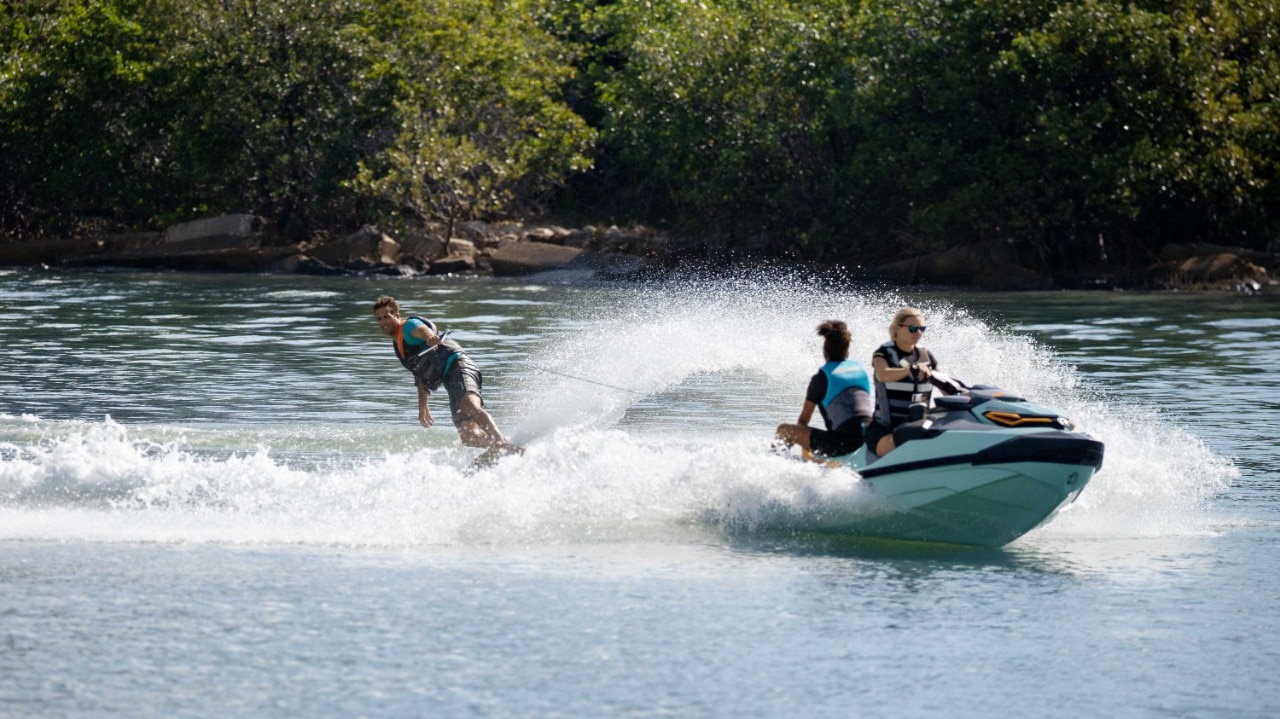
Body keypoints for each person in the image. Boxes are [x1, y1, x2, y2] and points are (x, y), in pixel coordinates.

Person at [373, 295, 520, 457]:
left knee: (469, 406)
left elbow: (423, 330)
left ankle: (501, 443)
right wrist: (423, 406)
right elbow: (420, 374)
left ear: (397, 315)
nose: (383, 322)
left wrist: (430, 338)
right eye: (379, 319)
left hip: (459, 366)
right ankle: (508, 446)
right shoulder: (399, 345)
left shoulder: (408, 326)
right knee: (468, 437)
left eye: (387, 316)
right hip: (449, 380)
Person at [775, 320, 873, 463]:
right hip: (870, 436)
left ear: (824, 349)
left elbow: (803, 422)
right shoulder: (860, 370)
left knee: (784, 430)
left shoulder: (821, 378)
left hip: (844, 444)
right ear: (847, 349)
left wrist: (806, 455)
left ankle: (776, 464)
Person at [866, 306, 952, 457]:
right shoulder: (883, 353)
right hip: (885, 429)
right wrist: (910, 369)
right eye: (912, 328)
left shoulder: (927, 356)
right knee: (903, 450)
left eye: (921, 328)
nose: (918, 333)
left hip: (918, 426)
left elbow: (946, 386)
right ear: (897, 329)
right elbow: (883, 375)